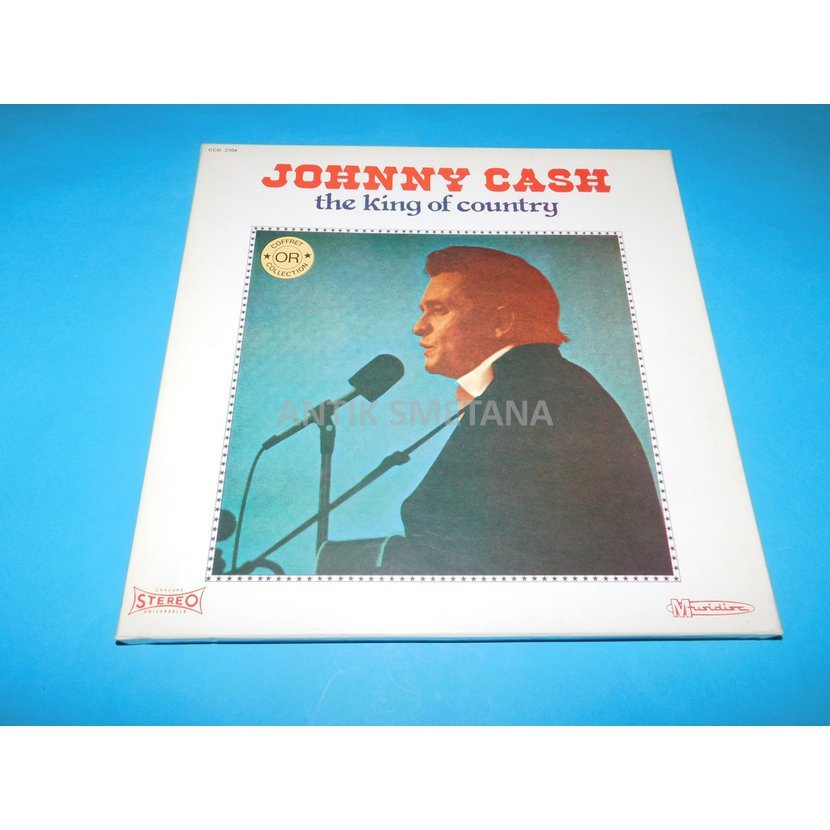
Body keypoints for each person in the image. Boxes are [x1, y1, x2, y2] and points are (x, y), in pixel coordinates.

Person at [375, 245, 674, 576]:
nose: (419, 327)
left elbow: (488, 542)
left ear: (501, 322)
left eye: (439, 310)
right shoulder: (540, 384)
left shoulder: (542, 391)